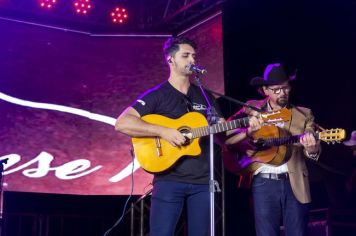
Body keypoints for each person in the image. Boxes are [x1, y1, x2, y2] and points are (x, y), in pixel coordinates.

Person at [115, 36, 252, 235]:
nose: (192, 60)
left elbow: (224, 136)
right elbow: (122, 123)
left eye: (194, 56)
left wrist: (248, 129)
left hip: (203, 183)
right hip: (168, 181)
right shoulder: (158, 95)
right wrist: (163, 131)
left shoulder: (205, 96)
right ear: (170, 60)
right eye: (185, 55)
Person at [224, 63, 321, 236]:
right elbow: (226, 133)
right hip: (263, 182)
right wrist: (247, 134)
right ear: (265, 90)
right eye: (276, 90)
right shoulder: (251, 108)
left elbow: (312, 146)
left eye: (285, 88)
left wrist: (312, 149)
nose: (283, 93)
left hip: (295, 182)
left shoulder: (304, 114)